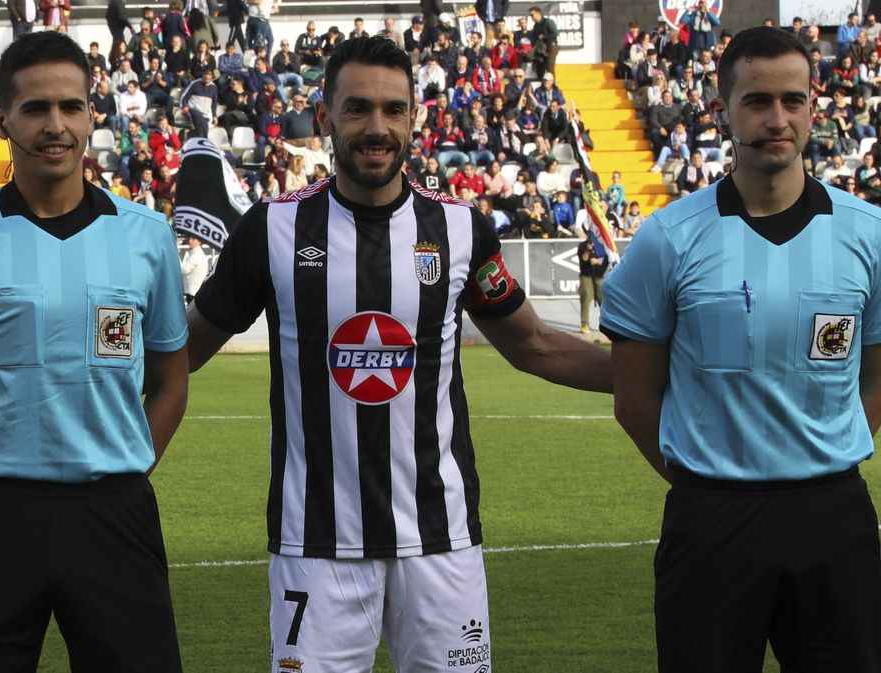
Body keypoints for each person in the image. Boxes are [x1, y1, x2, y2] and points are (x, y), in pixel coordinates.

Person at [184, 36, 611, 671]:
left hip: (441, 542)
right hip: (316, 543)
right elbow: (185, 348)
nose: (376, 128)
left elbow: (535, 345)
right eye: (357, 109)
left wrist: (656, 373)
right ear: (324, 118)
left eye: (393, 110)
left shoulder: (461, 229)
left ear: (413, 118)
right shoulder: (271, 229)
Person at [0, 31, 189, 673]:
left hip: (116, 516)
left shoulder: (147, 237)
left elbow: (170, 379)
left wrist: (131, 469)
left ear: (91, 113)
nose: (55, 126)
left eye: (71, 106)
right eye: (35, 108)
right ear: (4, 121)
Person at [602, 26, 881, 672]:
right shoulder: (668, 239)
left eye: (792, 99)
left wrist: (823, 447)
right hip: (712, 520)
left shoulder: (868, 234)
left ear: (814, 106)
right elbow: (634, 398)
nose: (776, 118)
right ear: (724, 109)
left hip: (833, 515)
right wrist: (708, 487)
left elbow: (876, 375)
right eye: (757, 101)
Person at [577, 231, 605, 333]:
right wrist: (588, 250)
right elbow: (584, 258)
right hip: (586, 275)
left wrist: (598, 261)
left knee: (603, 299)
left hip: (599, 275)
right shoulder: (582, 246)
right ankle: (585, 323)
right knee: (586, 295)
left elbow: (607, 259)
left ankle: (607, 324)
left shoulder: (602, 245)